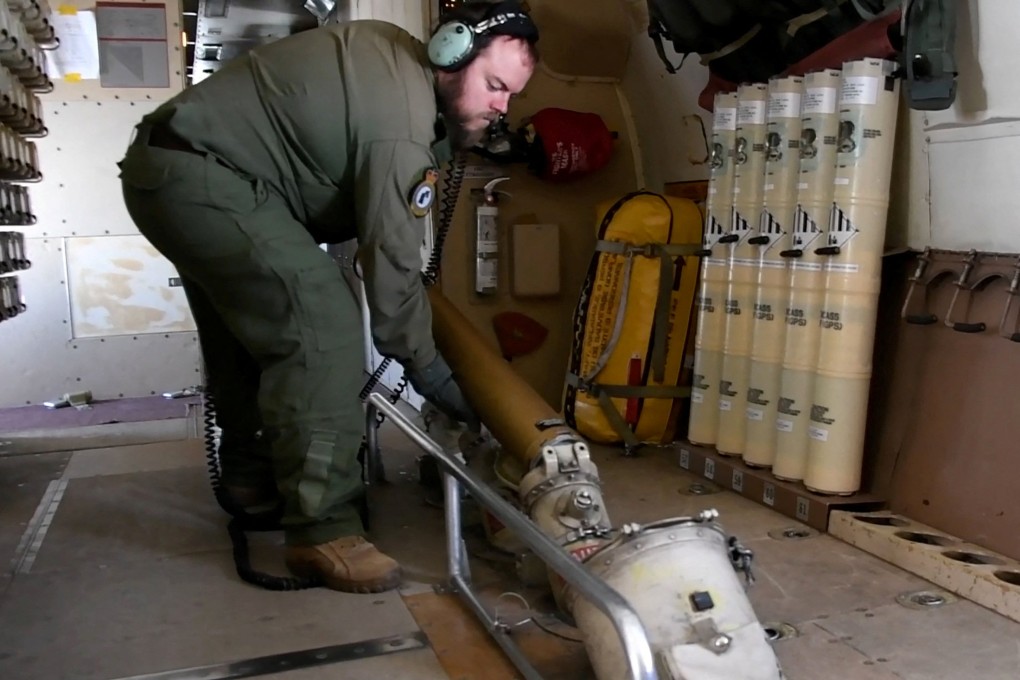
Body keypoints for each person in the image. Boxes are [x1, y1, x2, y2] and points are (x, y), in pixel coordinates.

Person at [116, 1, 539, 593]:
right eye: (495, 85)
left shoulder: (394, 63)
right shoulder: (401, 116)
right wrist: (440, 382)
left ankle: (250, 479)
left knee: (250, 333)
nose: (502, 106)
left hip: (176, 171)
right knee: (324, 323)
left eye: (511, 95)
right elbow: (391, 274)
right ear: (450, 55)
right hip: (204, 180)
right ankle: (322, 531)